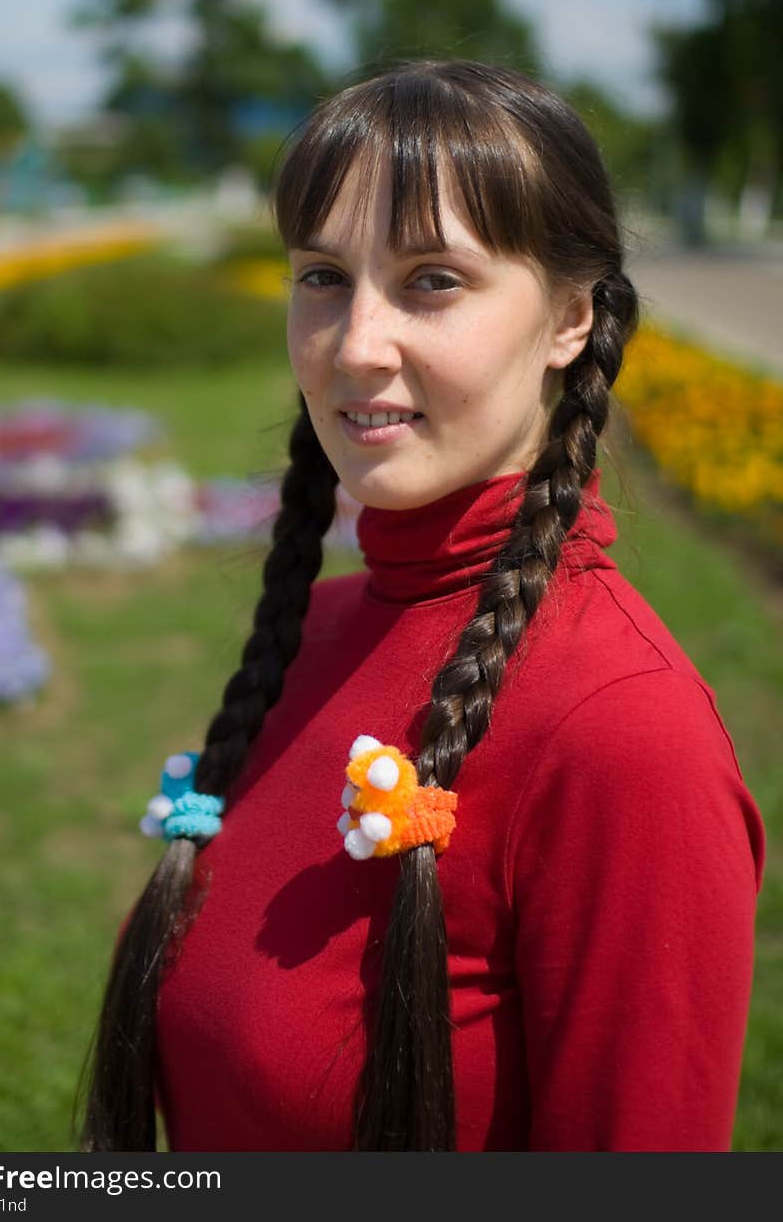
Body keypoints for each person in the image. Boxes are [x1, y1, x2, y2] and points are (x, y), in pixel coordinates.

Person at [80, 58, 765, 1152]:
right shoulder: (320, 631)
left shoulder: (626, 735)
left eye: (432, 280)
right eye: (321, 276)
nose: (354, 346)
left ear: (569, 318)